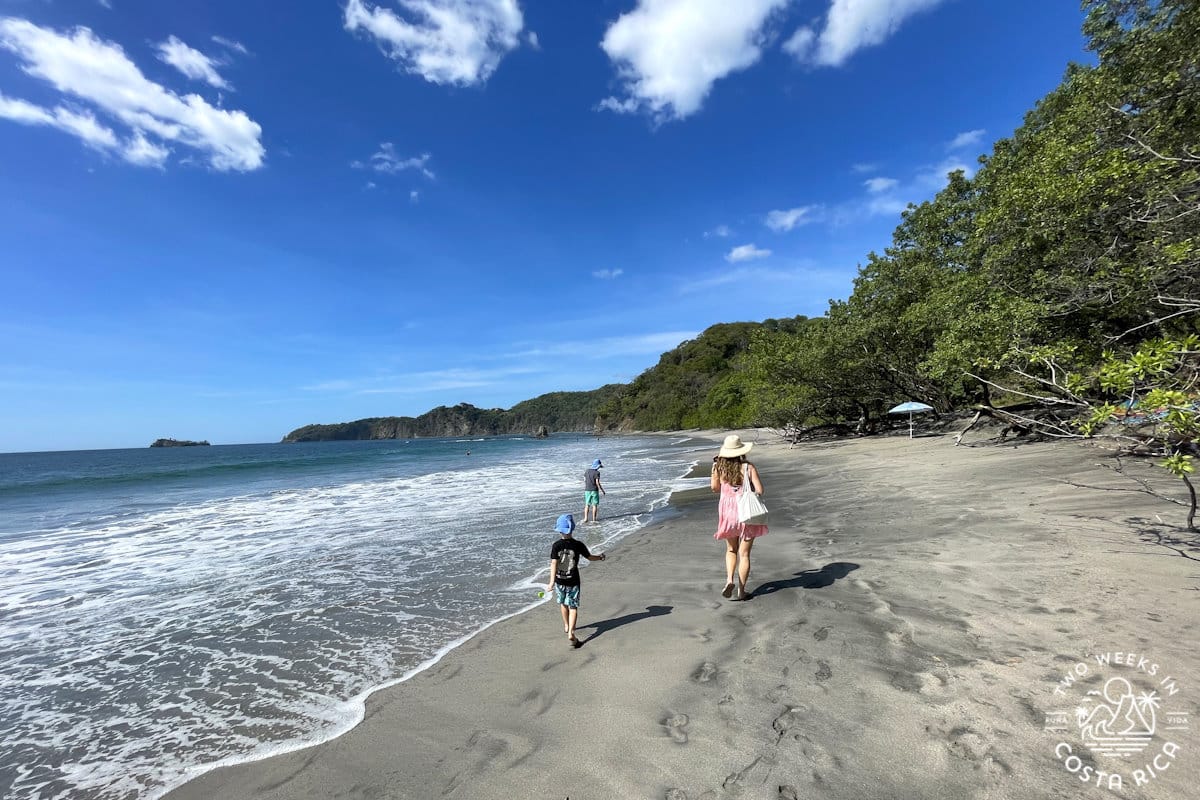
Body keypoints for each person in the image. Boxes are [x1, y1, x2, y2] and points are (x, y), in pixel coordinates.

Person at [710, 434, 766, 601]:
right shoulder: (748, 467)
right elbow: (760, 490)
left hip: (728, 512)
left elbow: (714, 488)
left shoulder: (718, 467)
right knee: (745, 554)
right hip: (746, 512)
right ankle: (742, 591)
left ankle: (729, 580)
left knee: (731, 550)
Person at [545, 513, 605, 647]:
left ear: (559, 530)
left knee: (563, 604)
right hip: (573, 581)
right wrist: (600, 557)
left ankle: (566, 625)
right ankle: (571, 632)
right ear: (572, 529)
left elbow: (554, 564)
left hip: (560, 581)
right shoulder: (578, 545)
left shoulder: (556, 545)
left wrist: (551, 582)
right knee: (573, 607)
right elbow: (589, 557)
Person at [581, 458, 606, 523]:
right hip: (594, 490)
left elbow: (584, 479)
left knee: (587, 505)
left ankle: (585, 518)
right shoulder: (597, 472)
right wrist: (602, 490)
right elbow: (597, 482)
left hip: (587, 490)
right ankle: (594, 519)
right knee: (594, 505)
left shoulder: (587, 471)